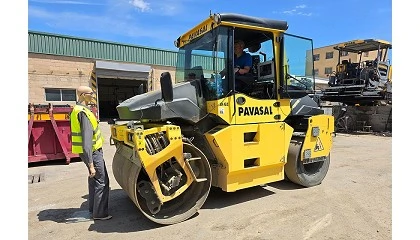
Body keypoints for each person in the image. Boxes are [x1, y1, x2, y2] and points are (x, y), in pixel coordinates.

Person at [70, 86, 112, 220]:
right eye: (90, 94)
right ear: (82, 95)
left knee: (94, 181)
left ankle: (93, 209)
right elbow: (87, 141)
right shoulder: (83, 112)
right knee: (102, 181)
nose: (93, 96)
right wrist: (91, 164)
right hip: (92, 152)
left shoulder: (79, 109)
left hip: (91, 152)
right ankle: (99, 214)